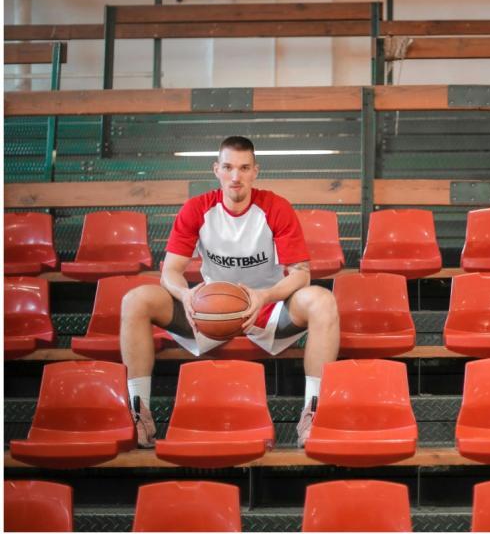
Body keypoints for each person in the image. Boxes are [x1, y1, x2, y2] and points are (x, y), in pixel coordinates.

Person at [119, 136, 339, 449]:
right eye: (228, 167)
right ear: (217, 170)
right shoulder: (197, 209)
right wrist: (186, 297)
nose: (236, 176)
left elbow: (301, 274)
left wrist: (264, 296)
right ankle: (137, 413)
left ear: (255, 172)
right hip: (210, 313)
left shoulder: (275, 207)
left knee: (322, 300)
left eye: (244, 168)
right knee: (135, 300)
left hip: (266, 308)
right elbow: (170, 271)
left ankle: (314, 412)